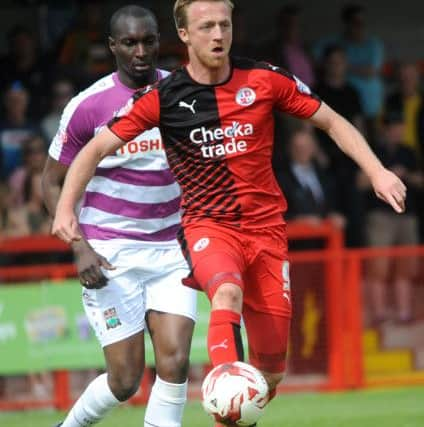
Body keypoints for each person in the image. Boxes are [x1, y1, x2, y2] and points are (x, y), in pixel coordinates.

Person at [51, 1, 406, 426]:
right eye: (207, 27)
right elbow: (93, 149)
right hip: (205, 227)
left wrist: (378, 171)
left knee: (270, 373)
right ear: (184, 34)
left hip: (266, 233)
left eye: (224, 24)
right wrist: (67, 214)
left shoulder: (264, 79)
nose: (218, 35)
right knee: (223, 296)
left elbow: (332, 121)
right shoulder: (163, 98)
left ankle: (234, 410)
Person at [42, 5, 196, 427]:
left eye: (149, 41)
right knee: (125, 379)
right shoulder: (88, 106)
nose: (141, 51)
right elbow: (51, 183)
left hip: (171, 249)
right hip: (109, 252)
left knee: (176, 360)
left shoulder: (183, 93)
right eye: (130, 43)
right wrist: (79, 247)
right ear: (113, 46)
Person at [359, 111, 423, 325]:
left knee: (407, 267)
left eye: (401, 127)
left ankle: (404, 312)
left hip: (407, 215)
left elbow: (420, 180)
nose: (399, 131)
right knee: (379, 265)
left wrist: (405, 175)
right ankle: (378, 313)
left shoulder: (409, 152)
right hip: (380, 216)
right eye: (394, 127)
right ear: (385, 129)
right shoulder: (373, 151)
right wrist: (381, 174)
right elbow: (359, 182)